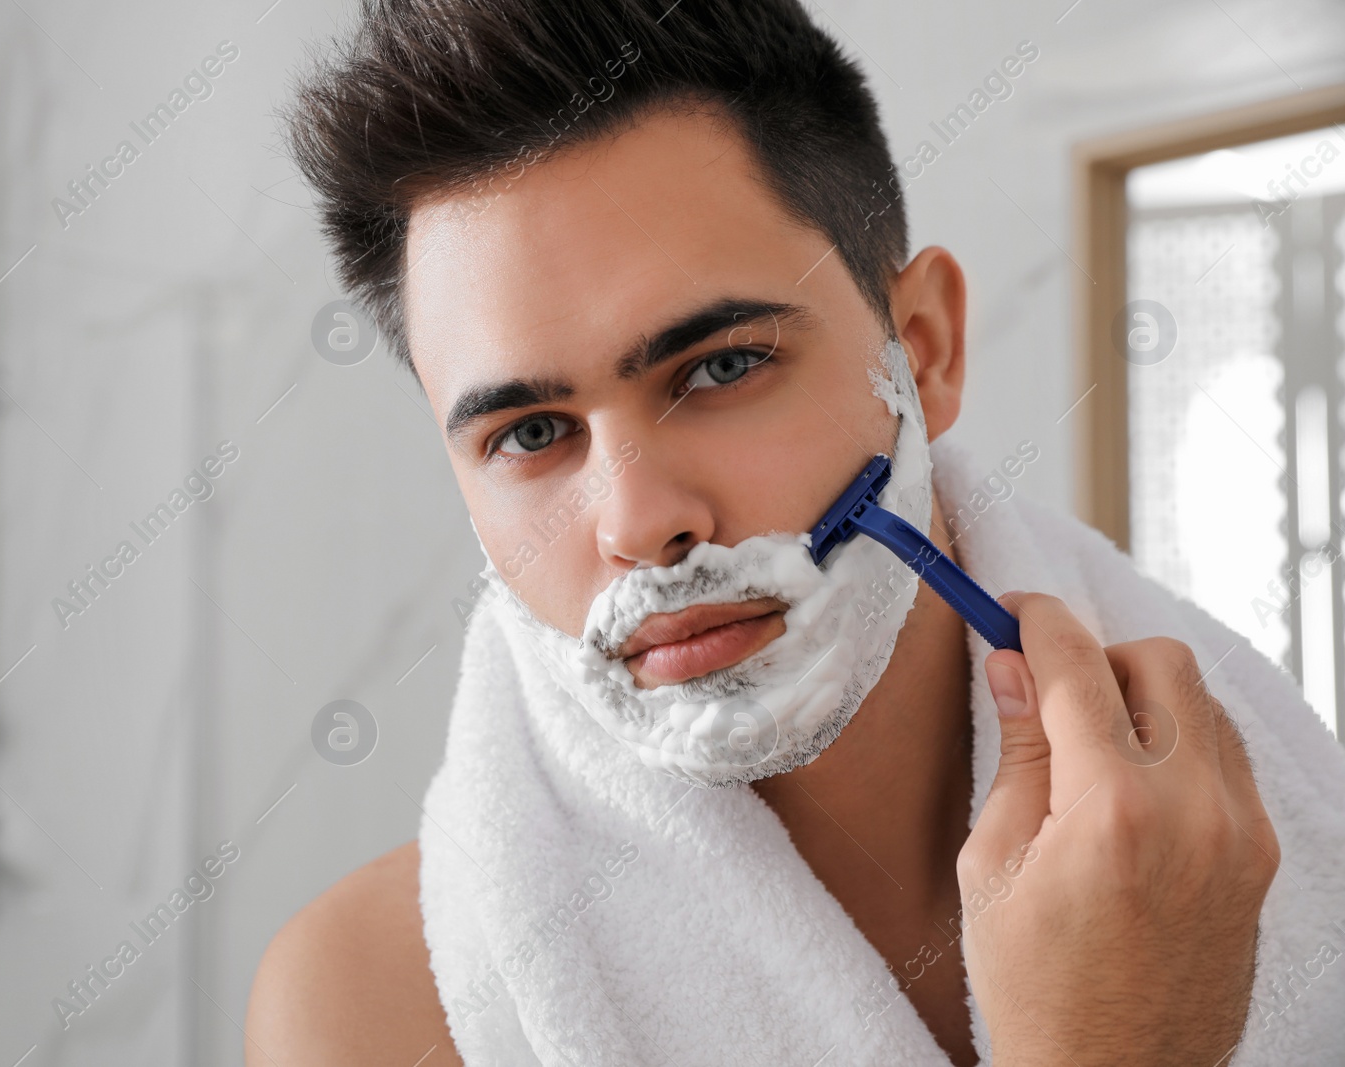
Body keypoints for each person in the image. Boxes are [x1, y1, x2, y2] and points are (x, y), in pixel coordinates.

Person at [245, 1, 1345, 1064]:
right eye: (531, 432)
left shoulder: (1291, 826)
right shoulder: (366, 1007)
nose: (638, 523)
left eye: (720, 367)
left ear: (922, 348)